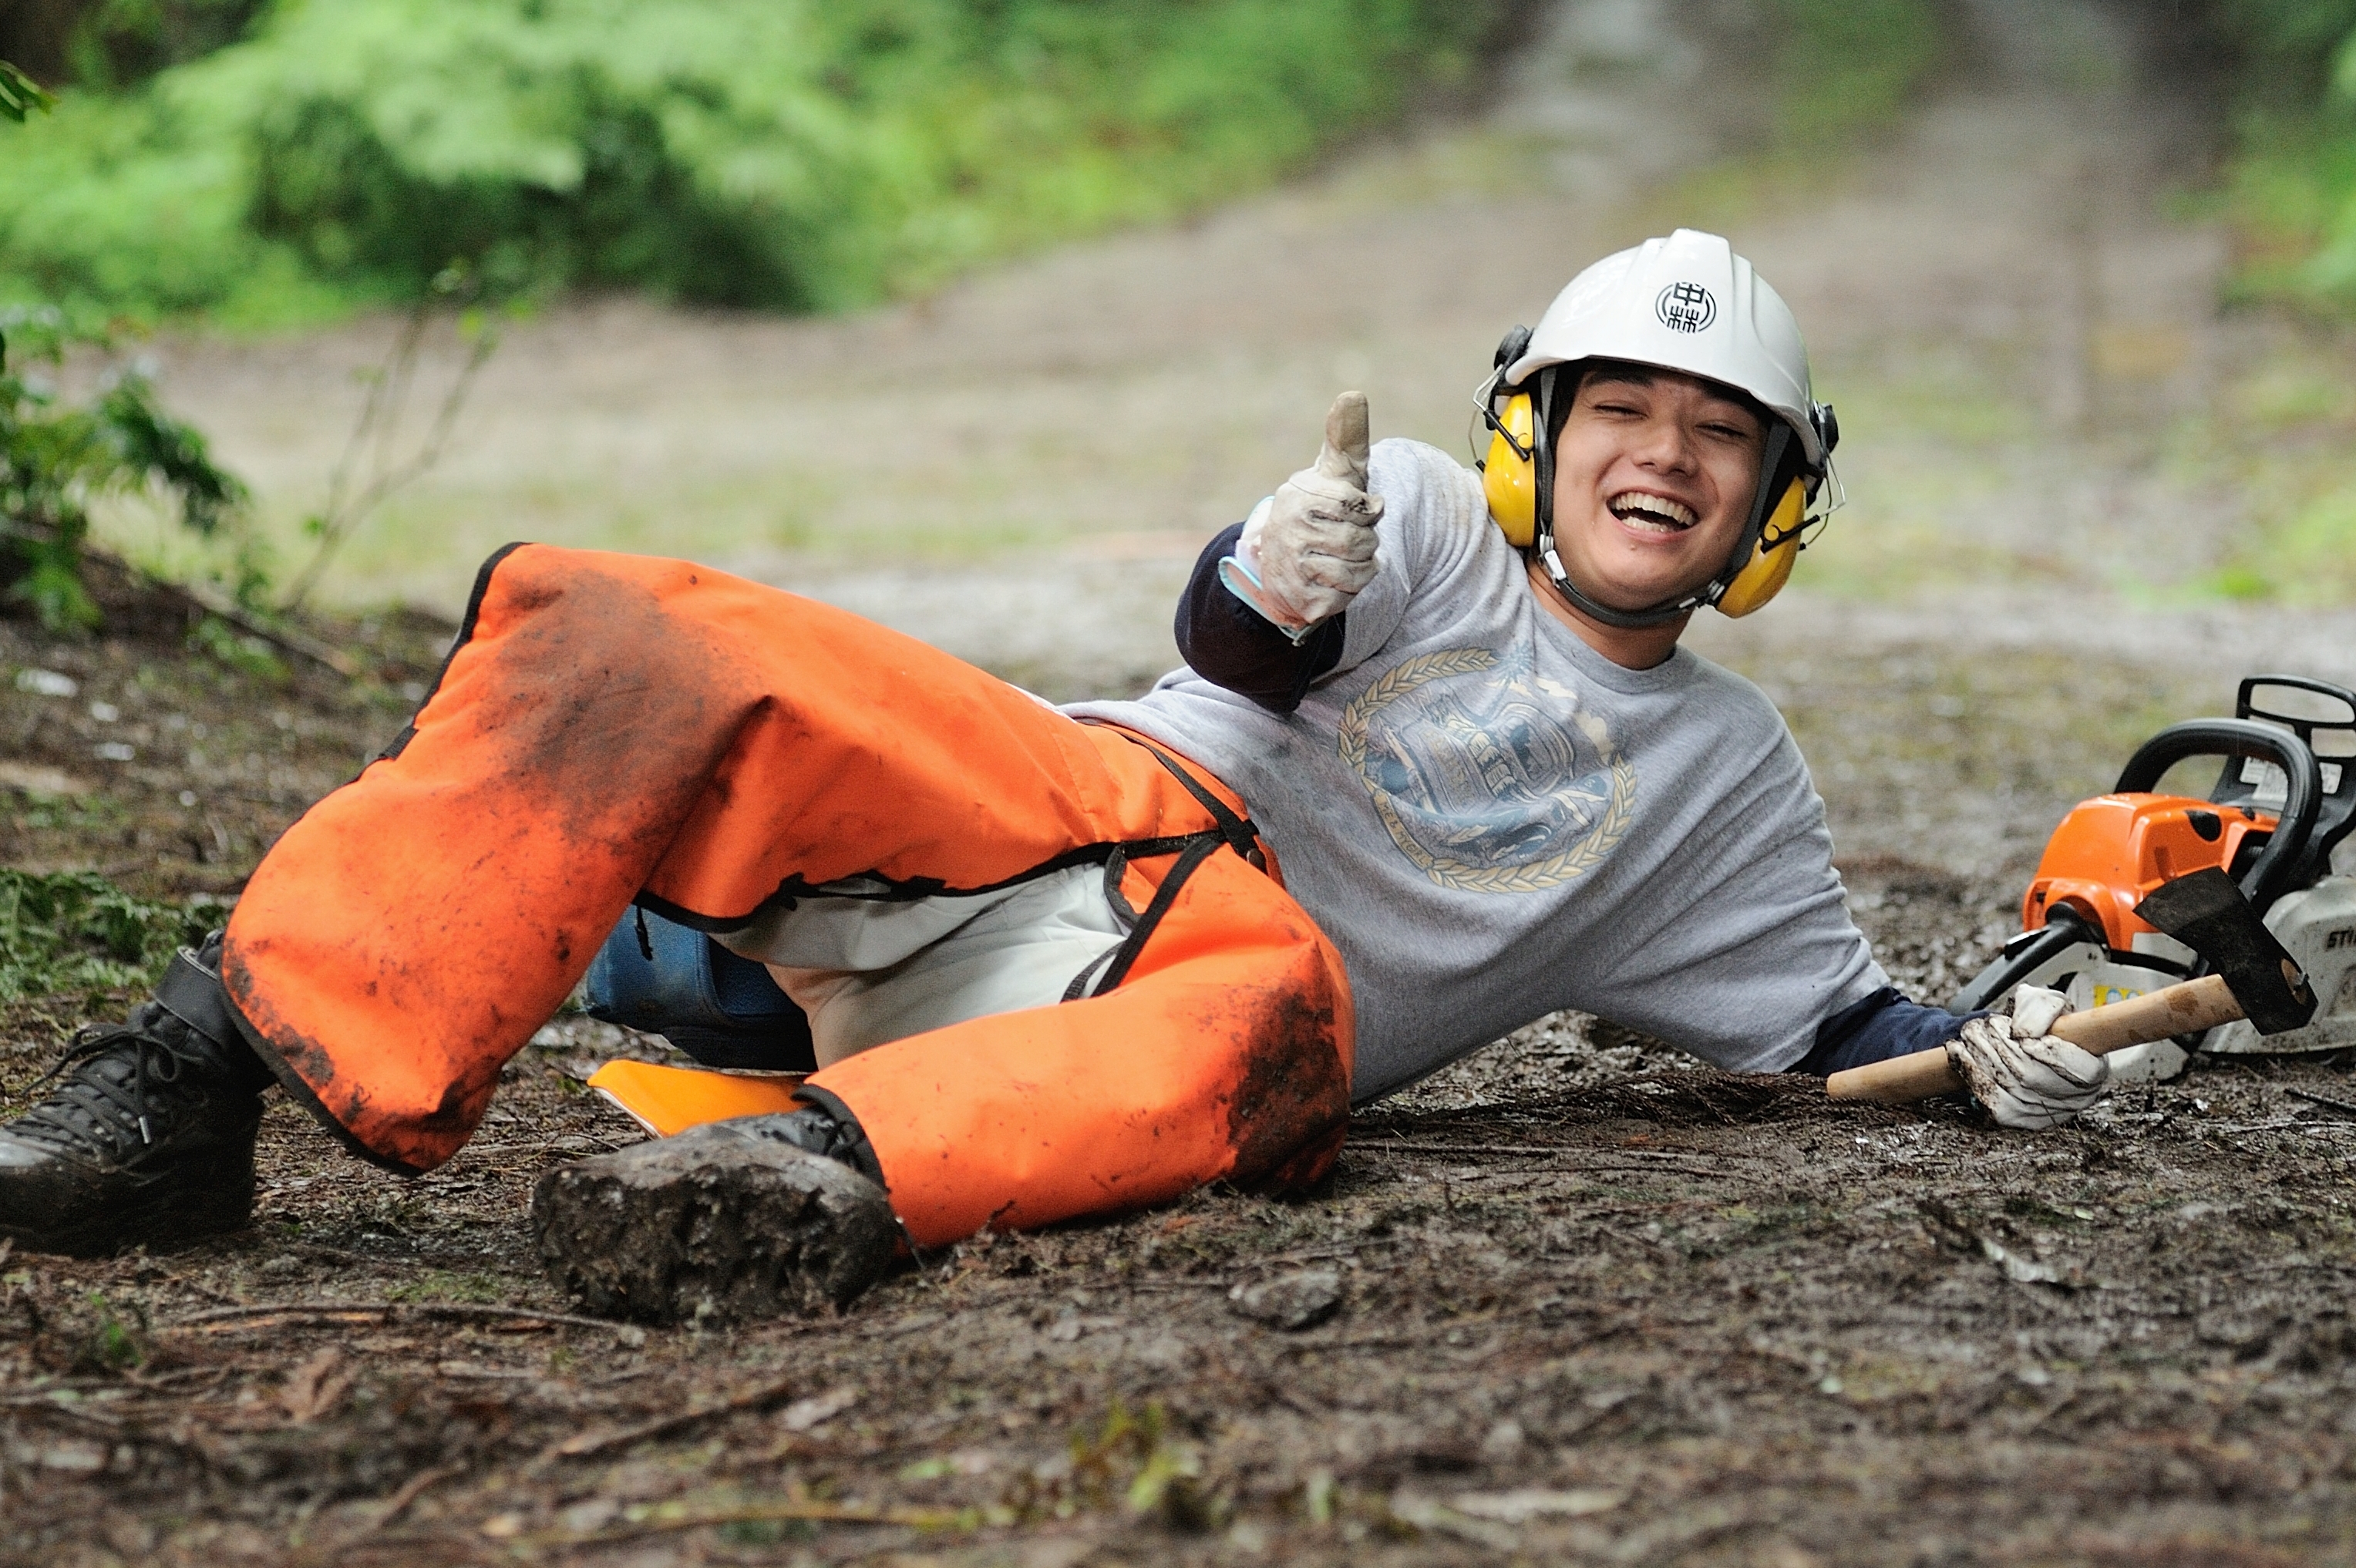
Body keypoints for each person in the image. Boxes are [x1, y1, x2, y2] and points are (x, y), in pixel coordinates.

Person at [0, 230, 2111, 1320]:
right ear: (1529, 436)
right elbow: (1239, 647)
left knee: (1285, 1016)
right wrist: (1269, 566)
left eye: (1721, 432)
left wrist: (2014, 1043)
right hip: (1060, 810)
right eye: (1620, 409)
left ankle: (790, 1179)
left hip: (1153, 1015)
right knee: (630, 631)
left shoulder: (1729, 776)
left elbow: (1840, 1032)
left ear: (1776, 504)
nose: (1662, 454)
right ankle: (188, 1075)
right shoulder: (1424, 520)